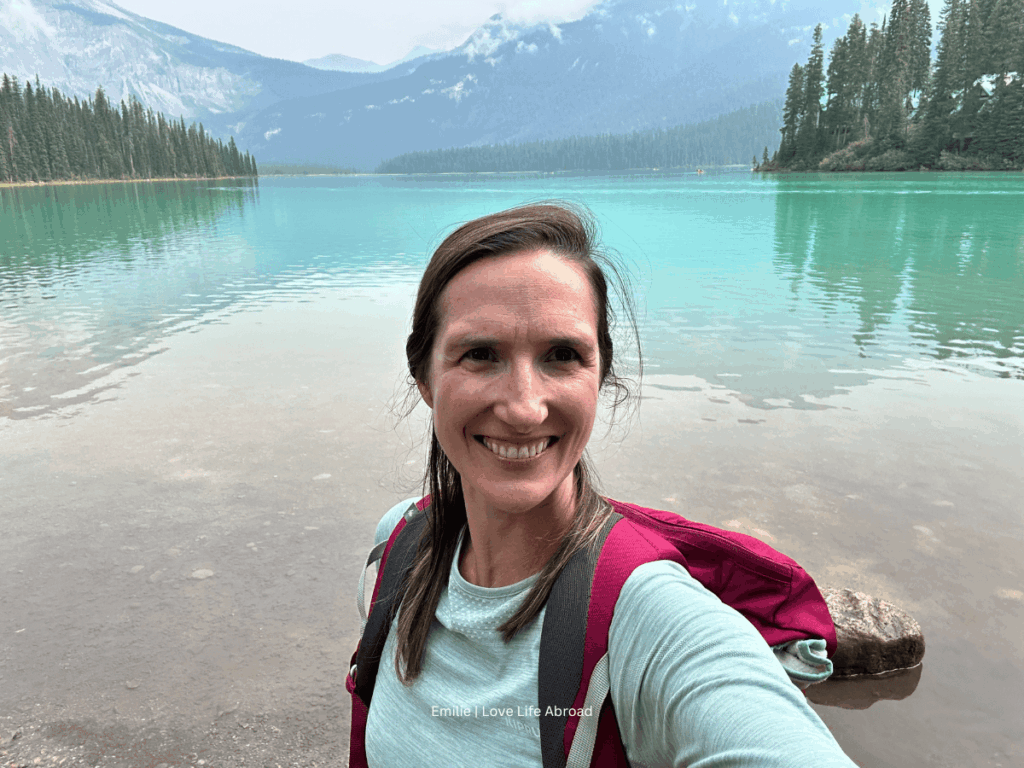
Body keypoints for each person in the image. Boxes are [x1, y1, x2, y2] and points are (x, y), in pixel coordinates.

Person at [357, 202, 857, 766]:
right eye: (480, 354)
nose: (524, 408)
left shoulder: (649, 618)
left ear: (600, 375)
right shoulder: (397, 551)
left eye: (562, 355)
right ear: (424, 375)